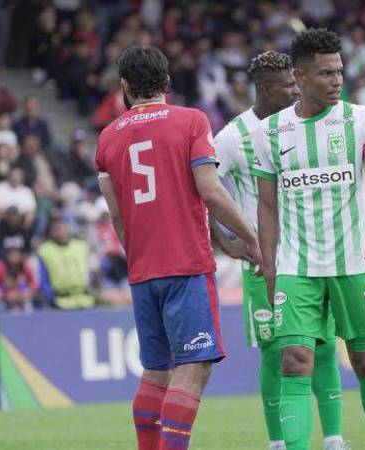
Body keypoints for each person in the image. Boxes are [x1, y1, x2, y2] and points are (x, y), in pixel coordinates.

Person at [94, 46, 260, 450]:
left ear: (125, 86)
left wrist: (144, 254)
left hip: (142, 269)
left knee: (156, 371)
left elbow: (117, 215)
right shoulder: (191, 121)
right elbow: (209, 192)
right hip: (186, 266)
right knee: (194, 365)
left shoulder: (107, 138)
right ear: (167, 82)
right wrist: (251, 237)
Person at [248, 29, 365, 450]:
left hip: (352, 260)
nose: (337, 80)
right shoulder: (270, 132)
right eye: (326, 73)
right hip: (296, 266)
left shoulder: (360, 119)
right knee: (295, 362)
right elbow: (267, 207)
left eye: (339, 71)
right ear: (300, 76)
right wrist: (270, 266)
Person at [211, 51, 347, 450]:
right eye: (290, 86)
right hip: (265, 262)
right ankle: (278, 442)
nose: (297, 91)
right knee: (275, 352)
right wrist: (225, 242)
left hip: (312, 256)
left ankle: (334, 438)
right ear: (266, 89)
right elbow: (200, 189)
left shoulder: (304, 124)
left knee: (324, 346)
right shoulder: (233, 137)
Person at [37, 219, 95, 309]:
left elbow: (91, 271)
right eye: (57, 229)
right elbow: (43, 279)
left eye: (63, 229)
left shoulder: (81, 246)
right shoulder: (45, 250)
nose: (61, 232)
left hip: (86, 300)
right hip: (61, 302)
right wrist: (51, 298)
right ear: (52, 232)